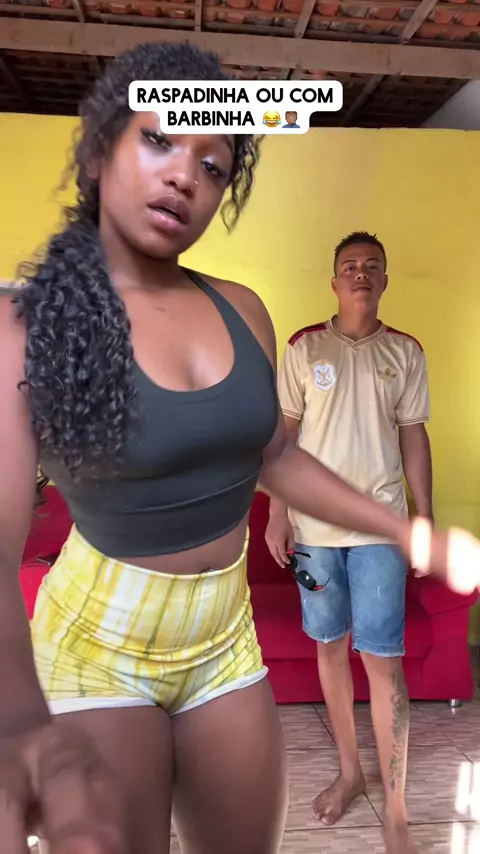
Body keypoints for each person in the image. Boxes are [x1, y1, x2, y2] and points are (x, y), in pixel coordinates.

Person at [0, 45, 478, 854]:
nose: (185, 176)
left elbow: (274, 457)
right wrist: (17, 724)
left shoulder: (242, 310)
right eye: (159, 140)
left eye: (213, 164)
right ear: (100, 150)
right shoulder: (25, 324)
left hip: (224, 633)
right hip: (100, 640)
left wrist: (408, 532)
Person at [265, 232, 432, 854]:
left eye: (372, 266)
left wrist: (424, 516)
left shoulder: (405, 351)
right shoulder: (305, 347)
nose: (361, 273)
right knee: (330, 648)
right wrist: (276, 512)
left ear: (384, 279)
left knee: (383, 659)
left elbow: (414, 437)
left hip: (381, 529)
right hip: (314, 533)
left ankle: (396, 802)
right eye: (349, 266)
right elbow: (282, 439)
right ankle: (349, 772)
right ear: (334, 282)